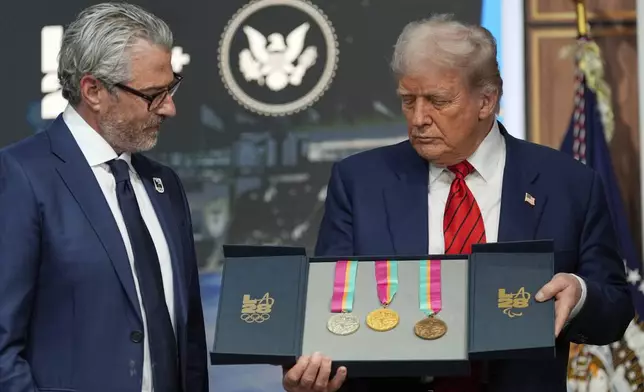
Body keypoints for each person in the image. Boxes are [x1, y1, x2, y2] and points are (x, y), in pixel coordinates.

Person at [282, 14, 633, 392]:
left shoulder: (568, 184)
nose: (418, 118)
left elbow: (615, 307)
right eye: (407, 100)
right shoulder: (359, 182)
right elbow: (330, 309)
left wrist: (579, 294)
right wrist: (311, 371)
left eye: (438, 101)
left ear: (487, 100)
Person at [0, 3, 208, 392]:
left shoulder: (165, 185)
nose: (170, 107)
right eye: (154, 94)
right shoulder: (19, 176)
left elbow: (189, 339)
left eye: (172, 87)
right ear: (93, 90)